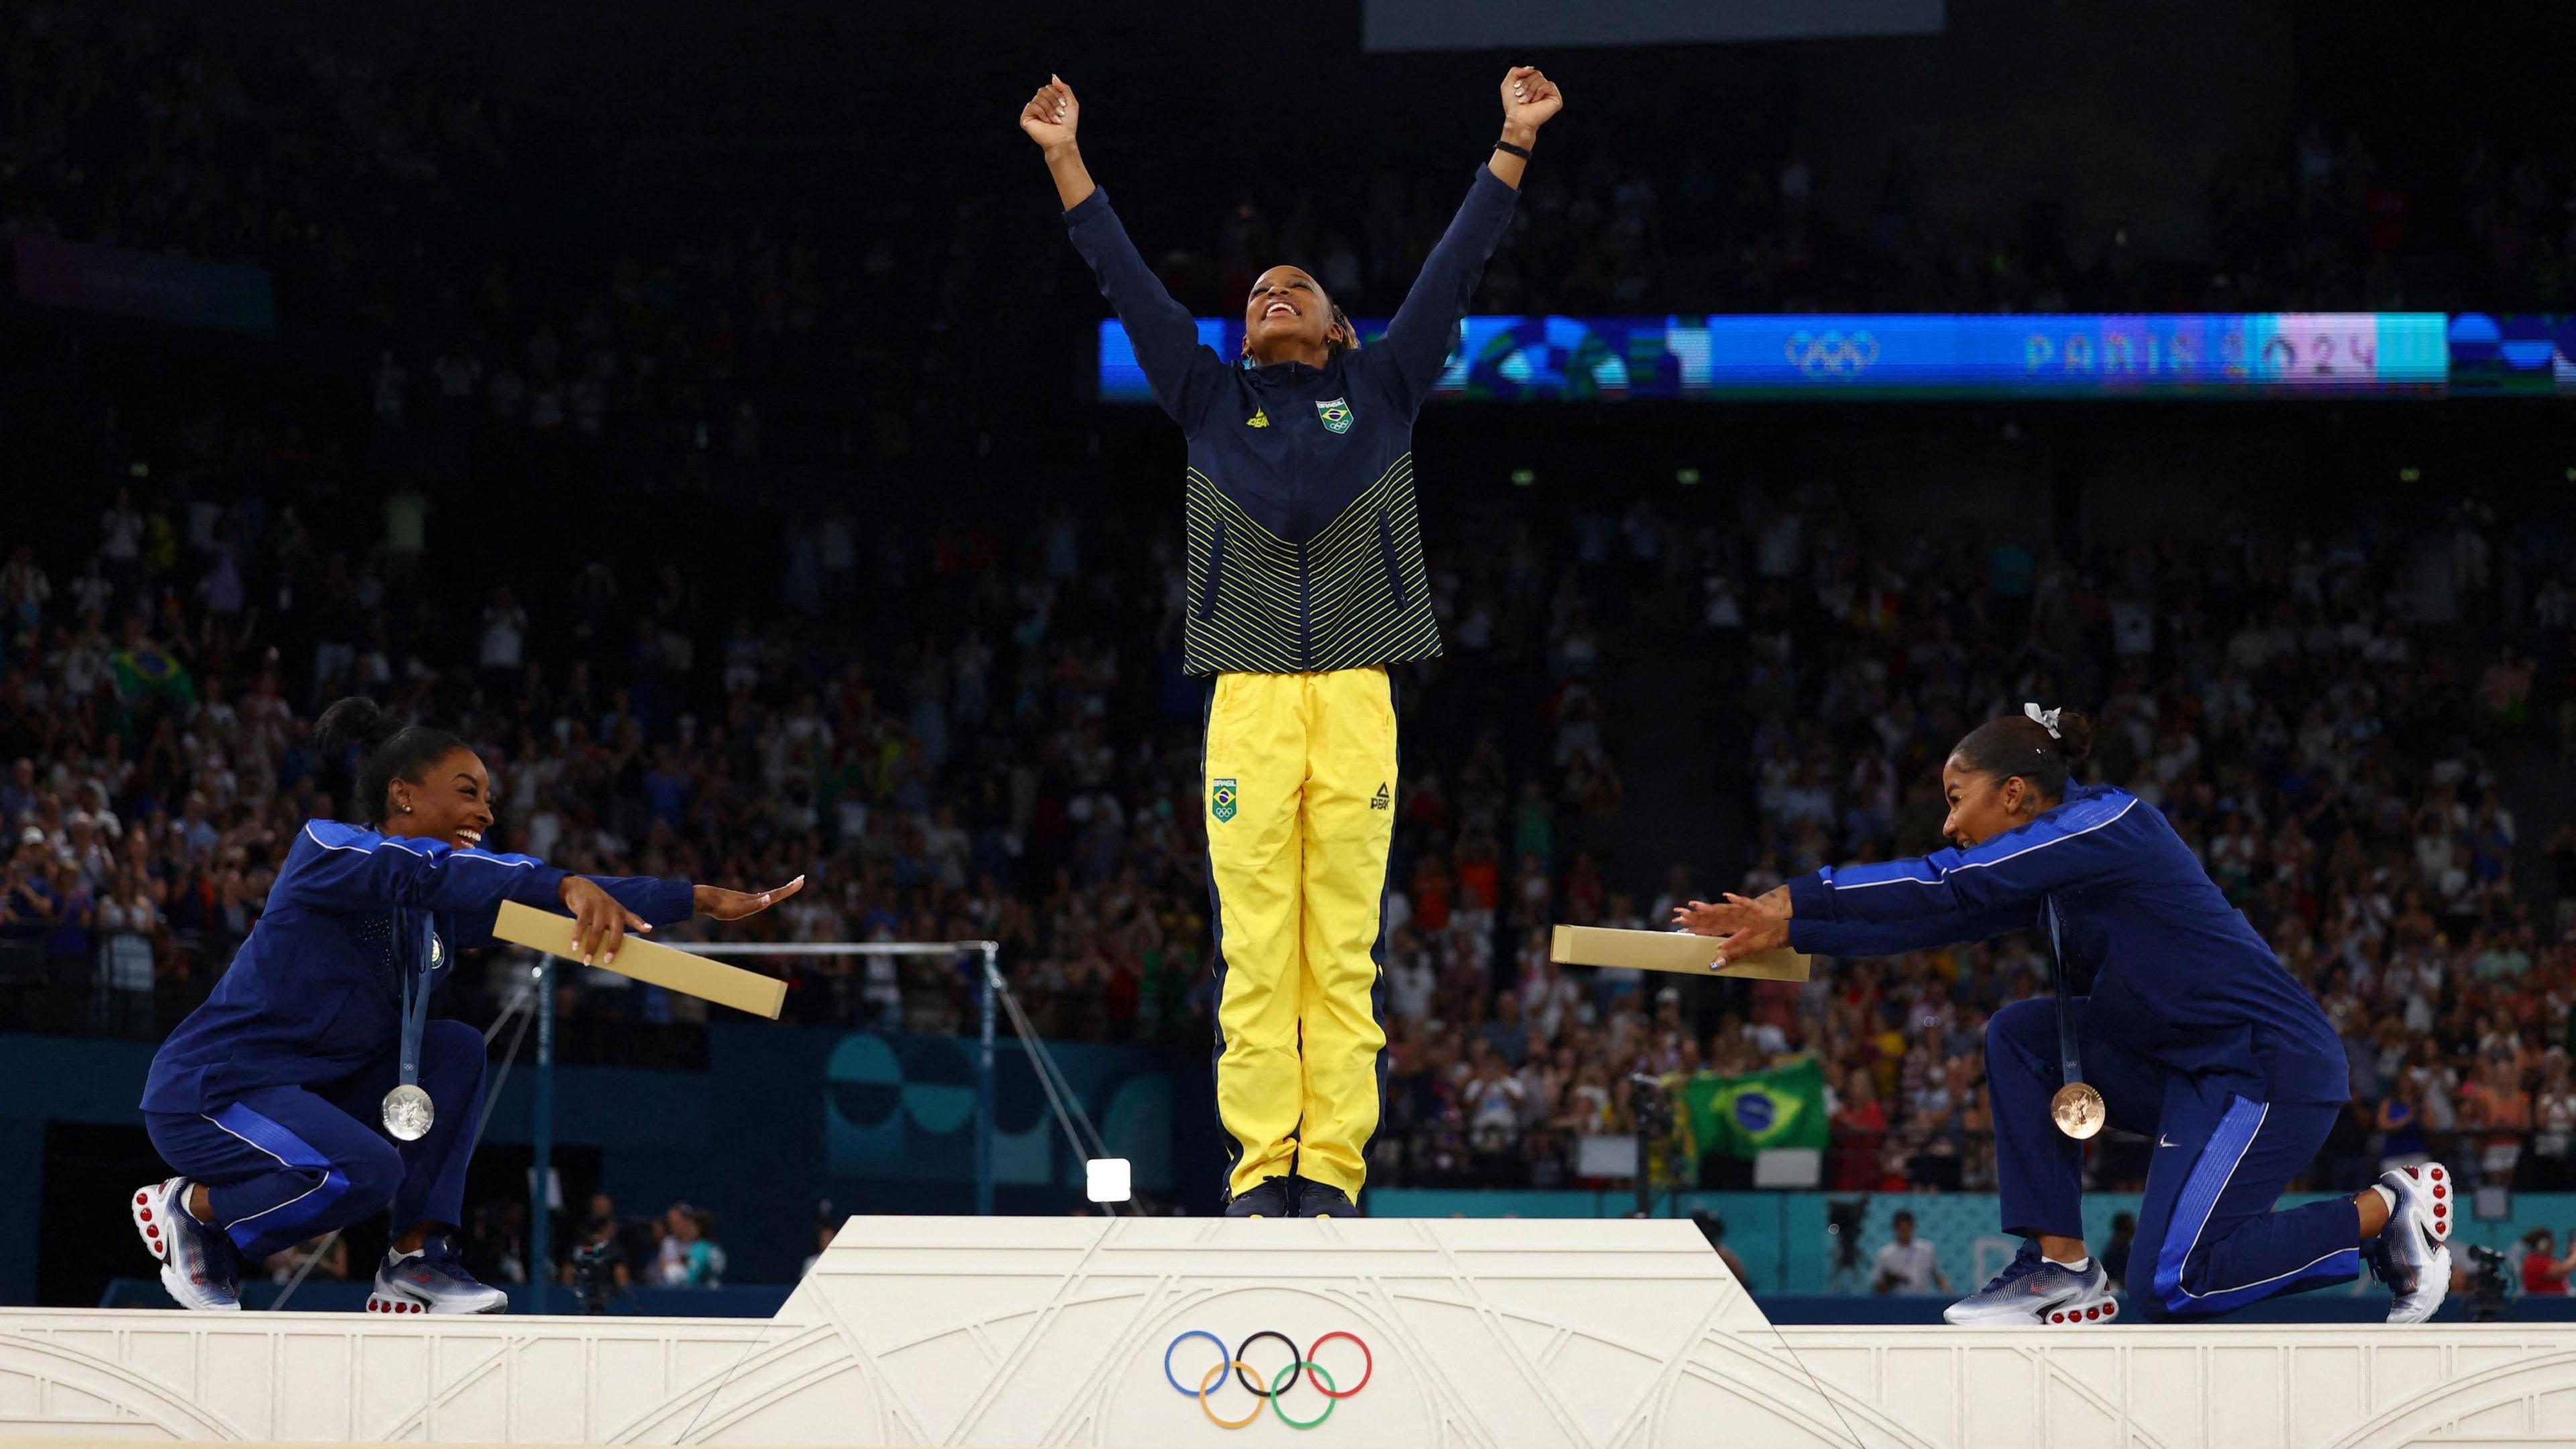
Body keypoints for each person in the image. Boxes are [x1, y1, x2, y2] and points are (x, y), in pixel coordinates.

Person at [1022, 66, 1564, 1218]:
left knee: (1344, 957)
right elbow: (1123, 280)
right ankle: (1264, 1172)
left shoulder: (1385, 389)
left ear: (1339, 327)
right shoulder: (1208, 399)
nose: (1274, 293)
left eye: (1298, 286)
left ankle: (1335, 1175)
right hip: (1250, 703)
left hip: (1358, 696)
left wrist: (1511, 142)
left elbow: (1456, 267)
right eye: (1260, 288)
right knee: (1259, 955)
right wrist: (1066, 157)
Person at [1676, 705, 2453, 1326]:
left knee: (2172, 1284)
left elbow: (1951, 883)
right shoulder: (2045, 869)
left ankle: (2388, 1210)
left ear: (2013, 793)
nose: (1948, 824)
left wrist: (1795, 895)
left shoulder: (2110, 822)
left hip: (2267, 1067)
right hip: (2188, 1070)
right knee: (2021, 1037)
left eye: (1956, 799)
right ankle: (2062, 1266)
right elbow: (1935, 920)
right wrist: (1795, 931)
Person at [130, 697, 799, 1313]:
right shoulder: (326, 851)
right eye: (468, 793)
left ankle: (417, 1257)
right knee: (366, 1169)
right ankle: (196, 1211)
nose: (485, 813)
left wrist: (696, 899)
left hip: (316, 1095)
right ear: (403, 795)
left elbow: (536, 903)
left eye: (489, 799)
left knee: (455, 1048)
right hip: (213, 1092)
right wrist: (564, 881)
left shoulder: (438, 914)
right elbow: (434, 871)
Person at [1871, 1210, 1952, 1295]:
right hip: (1896, 1300)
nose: (1905, 1232)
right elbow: (1877, 1286)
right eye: (1901, 1228)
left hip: (1921, 1299)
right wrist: (1889, 1282)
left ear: (1913, 1227)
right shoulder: (1885, 1254)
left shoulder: (1927, 1250)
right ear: (1895, 1229)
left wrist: (1949, 1294)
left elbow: (1939, 1277)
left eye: (1907, 1227)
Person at [2520, 1228, 2572, 1296]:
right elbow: (2562, 1271)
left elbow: (2563, 1270)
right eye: (2551, 1243)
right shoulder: (2535, 1262)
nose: (2554, 1246)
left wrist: (2571, 1255)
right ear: (2543, 1245)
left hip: (2554, 1303)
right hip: (2543, 1305)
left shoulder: (2546, 1260)